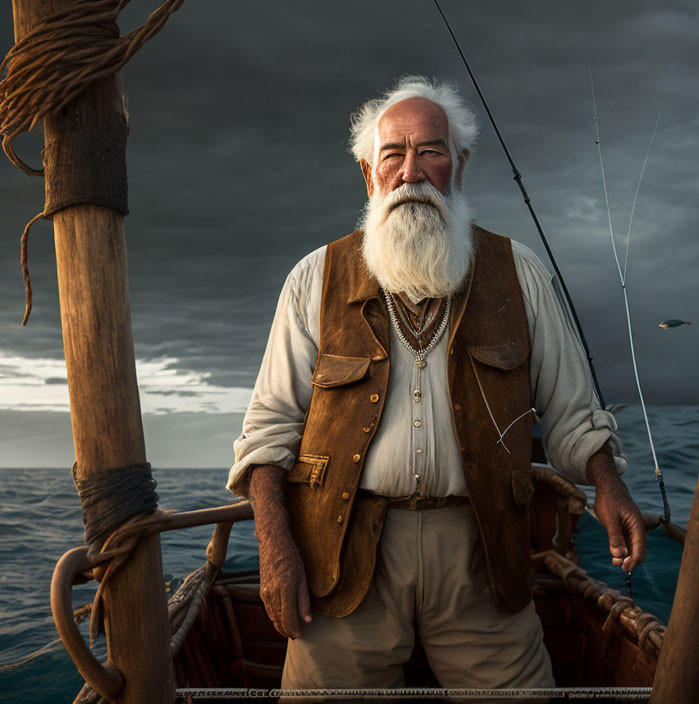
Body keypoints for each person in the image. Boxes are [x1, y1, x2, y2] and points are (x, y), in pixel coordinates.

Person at [227, 75, 646, 692]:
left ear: (459, 165)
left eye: (431, 151)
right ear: (369, 175)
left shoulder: (519, 274)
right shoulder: (313, 279)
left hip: (481, 550)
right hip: (341, 554)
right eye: (392, 154)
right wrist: (275, 545)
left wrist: (608, 487)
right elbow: (268, 431)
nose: (411, 172)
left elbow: (571, 415)